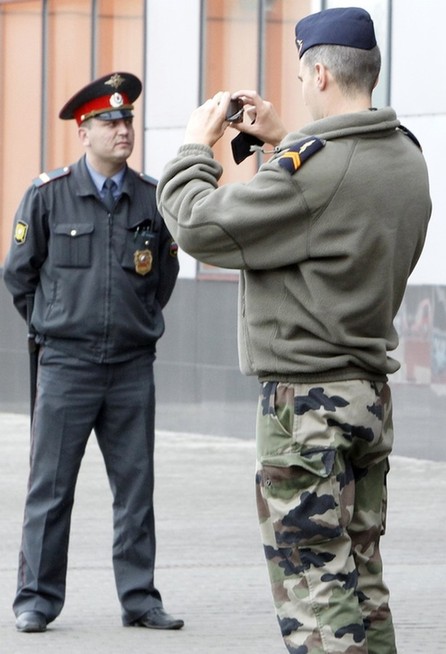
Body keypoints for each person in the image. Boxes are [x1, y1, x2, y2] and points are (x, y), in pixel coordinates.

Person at [156, 8, 431, 654]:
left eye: (304, 76)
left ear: (320, 74)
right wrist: (284, 145)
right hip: (367, 396)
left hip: (307, 406)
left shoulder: (316, 172)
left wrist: (196, 146)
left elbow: (197, 224)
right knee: (362, 580)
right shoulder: (406, 158)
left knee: (316, 591)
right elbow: (331, 210)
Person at [3, 72, 183, 634]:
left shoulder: (150, 199)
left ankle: (139, 598)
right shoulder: (49, 194)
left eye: (126, 119)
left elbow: (164, 275)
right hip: (66, 366)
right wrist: (55, 325)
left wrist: (141, 320)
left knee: (135, 489)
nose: (122, 129)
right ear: (84, 132)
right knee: (50, 489)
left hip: (131, 366)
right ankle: (36, 598)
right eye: (109, 122)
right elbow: (18, 274)